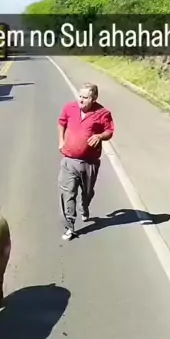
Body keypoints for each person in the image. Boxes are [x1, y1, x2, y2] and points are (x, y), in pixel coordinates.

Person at [57, 83, 114, 241]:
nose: (81, 100)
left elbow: (109, 131)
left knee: (87, 192)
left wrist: (100, 136)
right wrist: (61, 141)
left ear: (94, 98)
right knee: (67, 193)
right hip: (69, 160)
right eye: (80, 96)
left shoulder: (103, 113)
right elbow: (62, 123)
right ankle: (70, 227)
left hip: (90, 162)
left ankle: (84, 205)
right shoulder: (70, 108)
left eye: (85, 97)